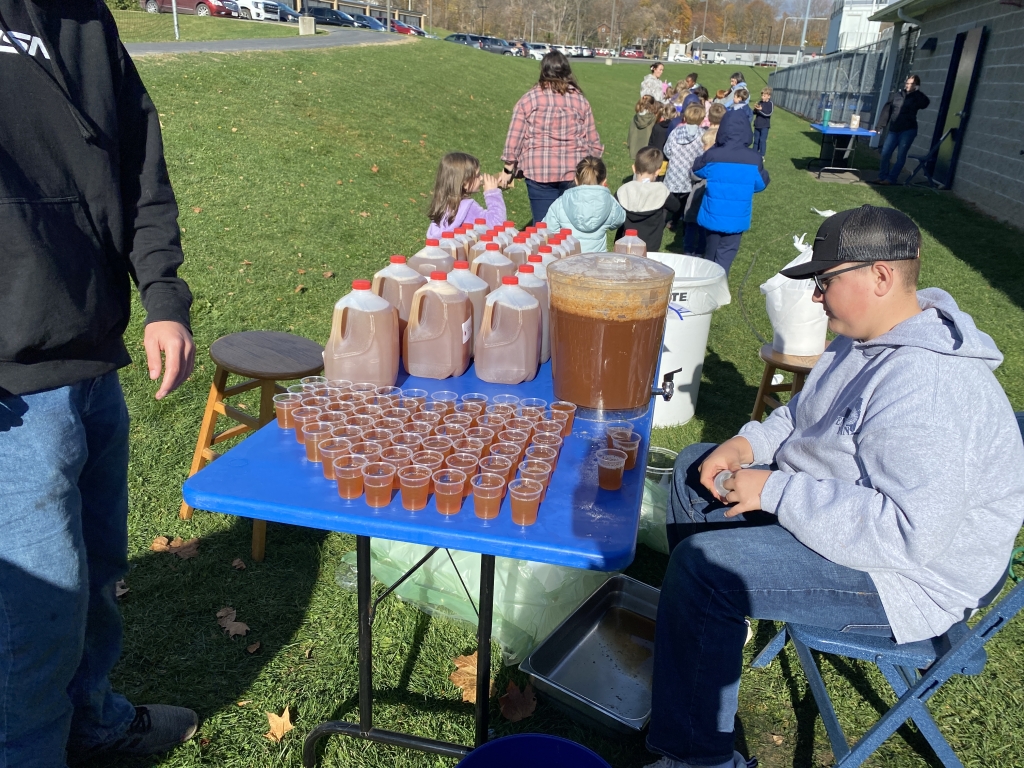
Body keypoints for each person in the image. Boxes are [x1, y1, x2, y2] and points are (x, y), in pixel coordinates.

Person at [644, 205, 1024, 768]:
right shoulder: (862, 335)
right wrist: (747, 447)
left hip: (909, 577)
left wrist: (772, 490)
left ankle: (697, 757)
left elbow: (906, 534)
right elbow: (804, 414)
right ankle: (706, 644)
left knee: (705, 573)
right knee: (694, 467)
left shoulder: (931, 385)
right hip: (845, 510)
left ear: (881, 276)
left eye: (825, 282)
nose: (816, 297)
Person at [0, 2, 198, 765]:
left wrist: (163, 295)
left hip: (93, 362)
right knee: (32, 622)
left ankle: (94, 722)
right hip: (12, 393)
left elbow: (139, 161)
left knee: (97, 576)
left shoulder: (87, 19)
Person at [500, 51, 603, 223]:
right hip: (575, 172)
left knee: (544, 227)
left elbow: (515, 137)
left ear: (544, 71)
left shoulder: (529, 99)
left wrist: (508, 169)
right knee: (571, 227)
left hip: (539, 170)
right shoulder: (580, 101)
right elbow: (593, 141)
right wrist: (595, 170)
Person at [691, 110, 769, 274]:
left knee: (710, 252)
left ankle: (707, 283)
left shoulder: (713, 155)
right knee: (726, 254)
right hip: (737, 217)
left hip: (713, 214)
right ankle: (718, 284)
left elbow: (697, 169)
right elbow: (761, 184)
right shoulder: (754, 158)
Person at [542, 156, 625, 253]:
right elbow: (620, 220)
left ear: (576, 180)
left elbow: (548, 231)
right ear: (604, 181)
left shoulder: (561, 202)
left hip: (567, 261)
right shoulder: (610, 203)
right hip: (597, 261)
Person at [426, 152, 506, 239]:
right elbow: (497, 225)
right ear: (464, 182)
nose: (481, 178)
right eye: (477, 175)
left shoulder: (444, 205)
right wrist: (492, 193)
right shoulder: (468, 209)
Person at [615, 147, 680, 252]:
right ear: (658, 171)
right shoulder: (661, 191)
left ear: (634, 168)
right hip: (651, 246)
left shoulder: (624, 190)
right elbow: (676, 207)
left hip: (626, 243)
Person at [872, 75, 930, 186]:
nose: (908, 86)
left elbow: (925, 104)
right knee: (885, 153)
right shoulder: (897, 96)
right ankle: (882, 176)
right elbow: (887, 111)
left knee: (900, 156)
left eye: (912, 84)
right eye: (907, 83)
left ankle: (891, 179)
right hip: (894, 129)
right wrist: (879, 126)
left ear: (916, 85)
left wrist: (917, 92)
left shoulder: (917, 97)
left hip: (908, 130)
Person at [663, 104, 707, 231]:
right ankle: (676, 221)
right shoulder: (702, 135)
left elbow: (667, 150)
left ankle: (662, 220)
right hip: (689, 175)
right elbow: (703, 154)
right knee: (684, 200)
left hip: (674, 172)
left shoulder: (676, 131)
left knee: (668, 199)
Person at [680, 130, 718, 256]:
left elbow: (695, 175)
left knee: (692, 224)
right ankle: (699, 250)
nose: (703, 147)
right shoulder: (719, 162)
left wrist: (691, 171)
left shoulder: (703, 160)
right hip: (706, 197)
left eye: (705, 145)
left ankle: (689, 249)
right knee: (701, 226)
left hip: (698, 196)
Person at [628, 95, 660, 160]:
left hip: (635, 148)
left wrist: (629, 144)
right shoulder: (653, 118)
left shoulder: (636, 117)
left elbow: (630, 132)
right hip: (647, 150)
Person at [752, 87, 774, 156]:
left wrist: (760, 110)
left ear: (769, 96)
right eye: (762, 95)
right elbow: (754, 113)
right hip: (757, 125)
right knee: (756, 140)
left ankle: (762, 155)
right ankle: (754, 153)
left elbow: (768, 114)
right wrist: (755, 109)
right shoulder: (760, 102)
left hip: (764, 126)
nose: (762, 97)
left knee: (762, 141)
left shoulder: (770, 104)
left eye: (764, 96)